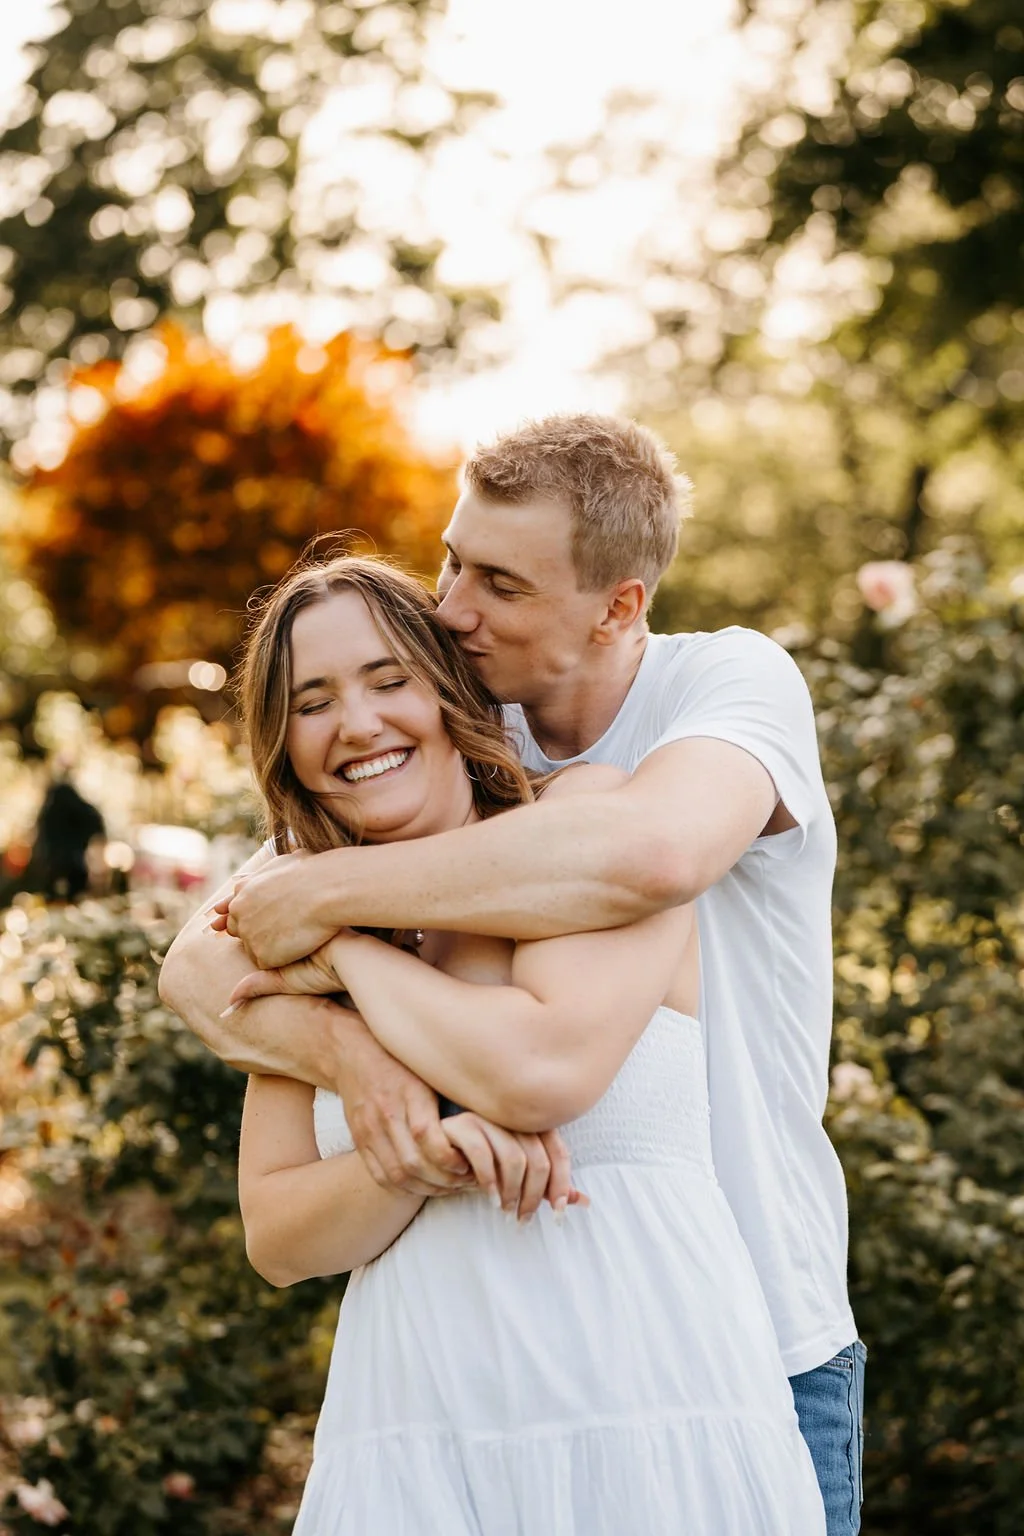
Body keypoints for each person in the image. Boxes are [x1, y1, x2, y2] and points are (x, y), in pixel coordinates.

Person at [160, 413, 864, 1534]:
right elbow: (201, 962)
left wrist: (326, 927)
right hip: (438, 1399)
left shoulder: (714, 693)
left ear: (617, 606)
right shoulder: (450, 728)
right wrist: (362, 1070)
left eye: (497, 580)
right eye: (449, 560)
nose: (450, 608)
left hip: (741, 1327)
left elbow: (654, 858)